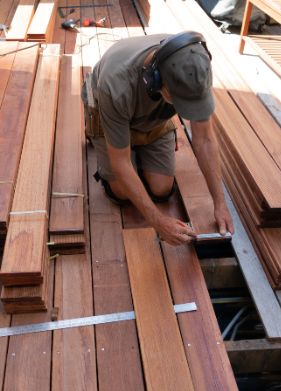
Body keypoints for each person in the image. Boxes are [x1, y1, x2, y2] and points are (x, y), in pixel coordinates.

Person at [82, 31, 234, 245]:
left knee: (161, 189)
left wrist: (220, 203)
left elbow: (205, 140)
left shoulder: (194, 67)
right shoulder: (115, 85)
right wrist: (159, 222)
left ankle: (138, 142)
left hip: (150, 118)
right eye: (180, 103)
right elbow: (121, 162)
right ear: (154, 80)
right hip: (106, 107)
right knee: (122, 194)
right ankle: (105, 137)